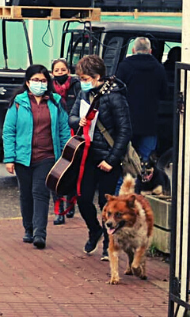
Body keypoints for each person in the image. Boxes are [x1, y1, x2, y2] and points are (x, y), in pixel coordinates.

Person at [70, 54, 131, 262]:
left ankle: (108, 243)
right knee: (83, 198)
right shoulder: (83, 94)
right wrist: (78, 121)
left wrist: (112, 160)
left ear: (97, 77)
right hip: (86, 154)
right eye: (80, 78)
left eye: (85, 78)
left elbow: (125, 130)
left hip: (107, 158)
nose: (82, 82)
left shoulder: (115, 97)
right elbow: (71, 116)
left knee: (106, 204)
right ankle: (94, 230)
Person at [2, 65, 70, 249]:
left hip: (47, 156)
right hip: (23, 157)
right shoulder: (18, 103)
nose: (39, 84)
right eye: (35, 80)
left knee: (40, 192)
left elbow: (63, 130)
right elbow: (9, 131)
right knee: (26, 194)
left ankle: (40, 233)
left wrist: (66, 157)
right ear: (27, 82)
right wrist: (9, 158)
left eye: (43, 80)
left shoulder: (56, 102)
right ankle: (29, 228)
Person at [115, 37, 169, 161]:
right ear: (150, 51)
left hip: (127, 119)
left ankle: (127, 172)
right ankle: (144, 170)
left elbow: (117, 90)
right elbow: (164, 93)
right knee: (146, 156)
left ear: (133, 50)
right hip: (150, 120)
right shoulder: (159, 68)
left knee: (126, 156)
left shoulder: (124, 66)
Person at [50, 58, 80, 225]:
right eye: (57, 70)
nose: (60, 73)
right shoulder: (49, 89)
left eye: (63, 70)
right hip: (54, 134)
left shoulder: (76, 86)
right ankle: (58, 209)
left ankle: (70, 200)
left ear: (68, 71)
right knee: (56, 171)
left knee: (71, 170)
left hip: (73, 133)